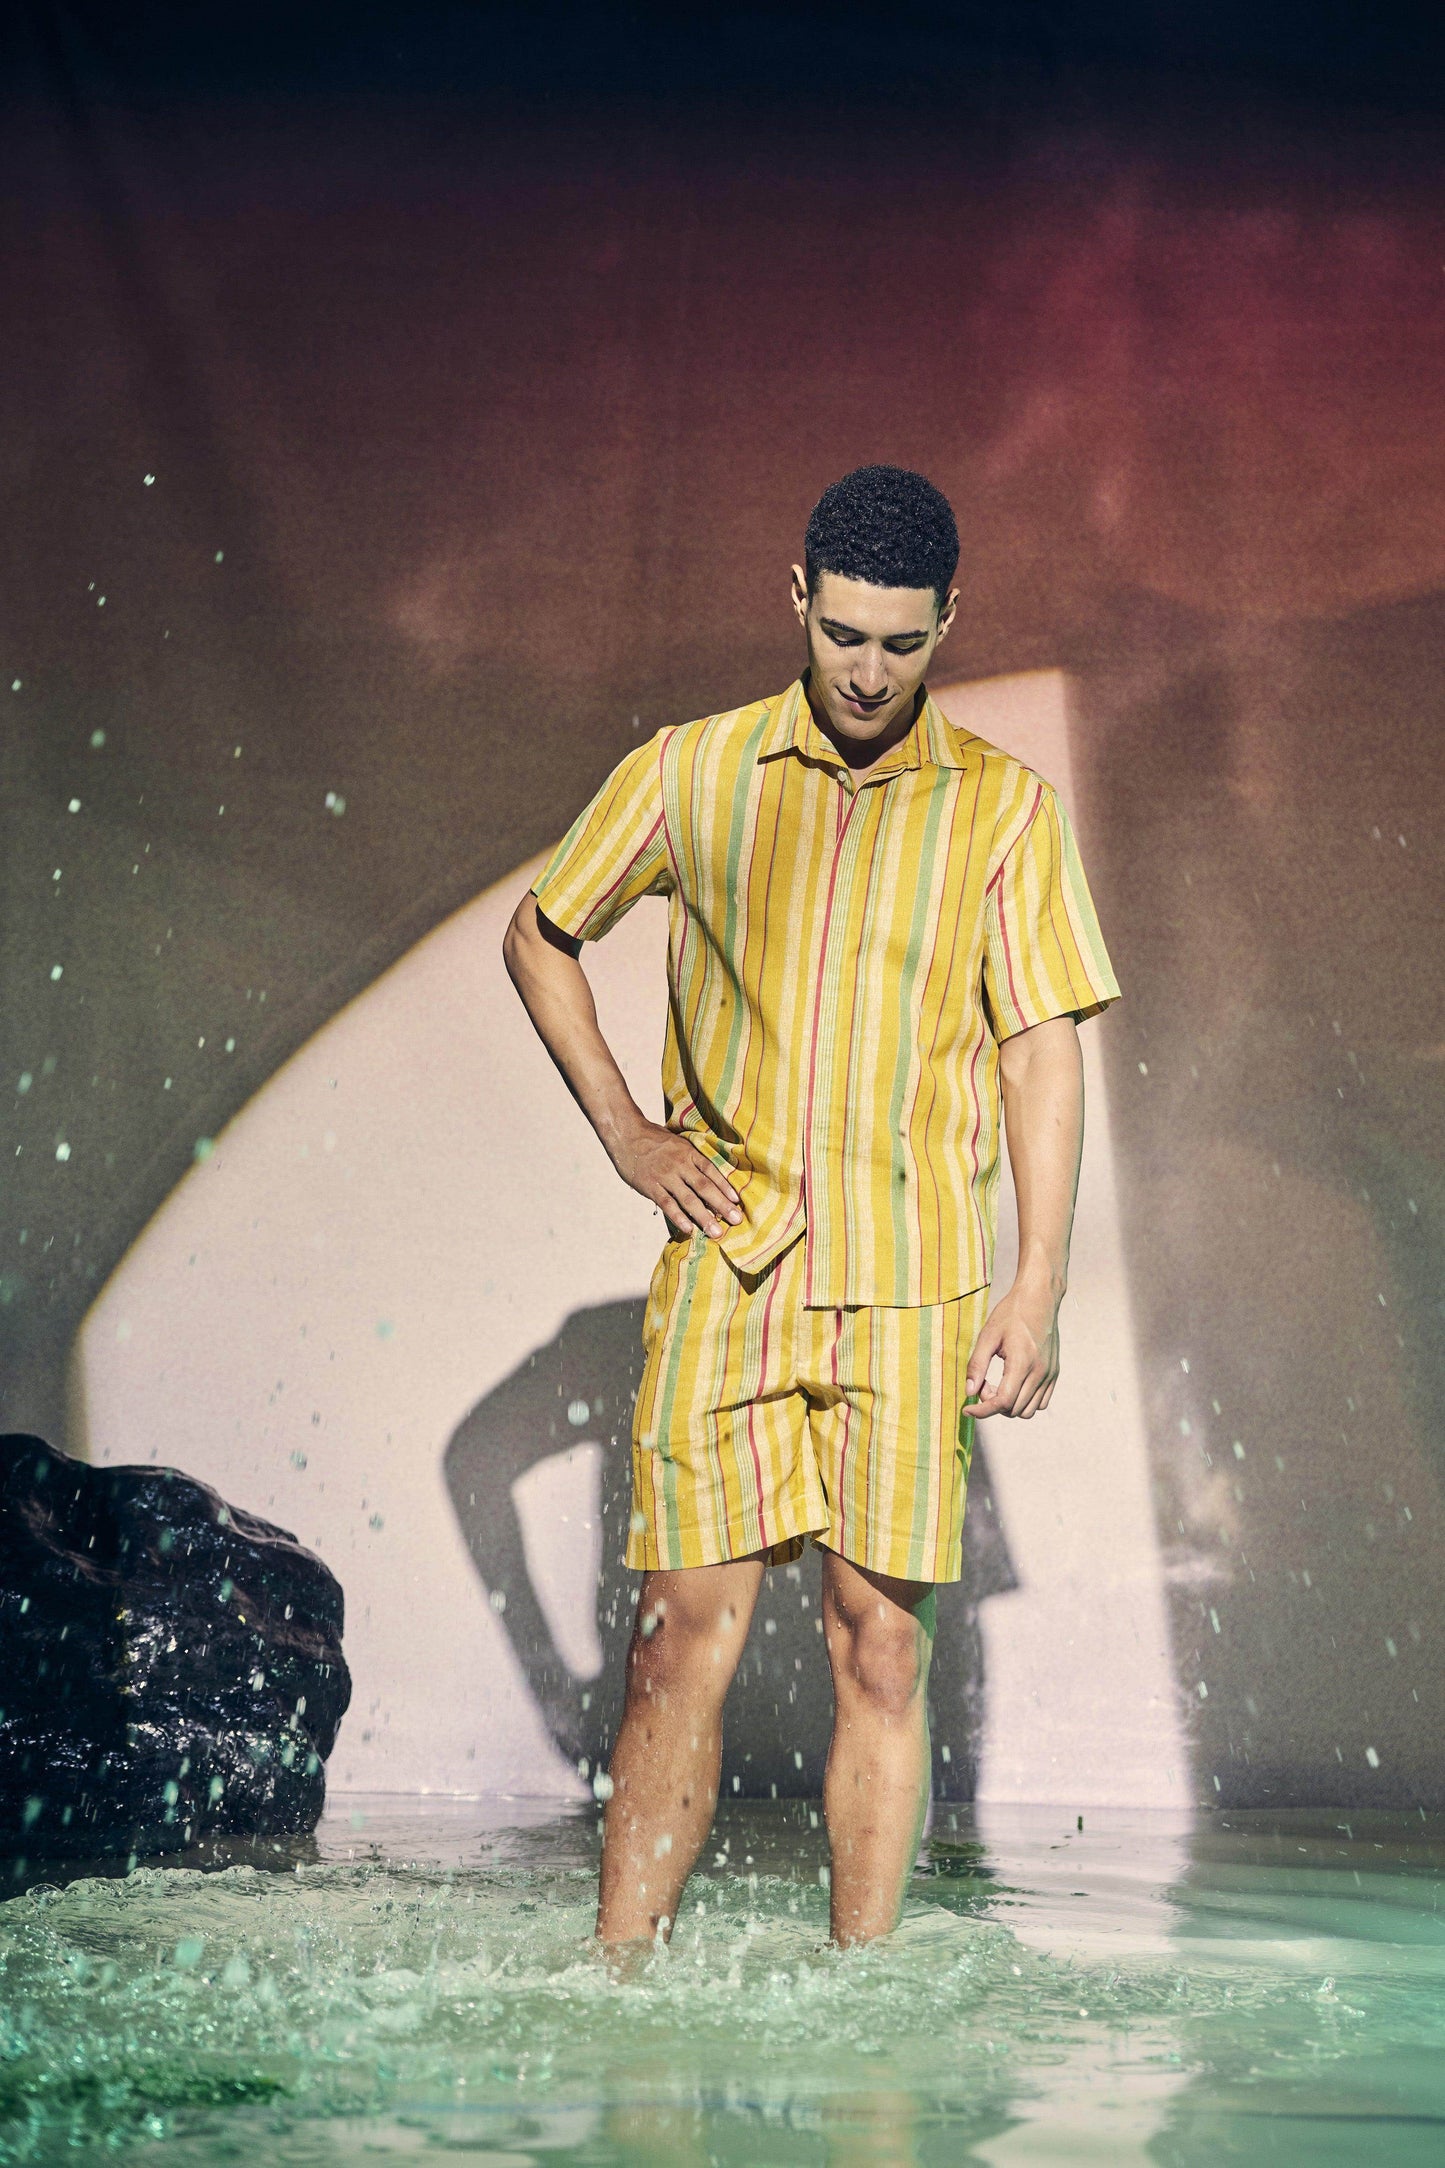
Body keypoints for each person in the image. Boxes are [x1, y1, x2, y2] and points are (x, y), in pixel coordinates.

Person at [502, 464, 1121, 1946]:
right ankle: (618, 1985)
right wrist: (628, 1133)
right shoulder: (693, 770)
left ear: (948, 622)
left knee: (882, 1654)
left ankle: (862, 2000)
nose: (868, 672)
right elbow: (540, 933)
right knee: (674, 1643)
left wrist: (1035, 1282)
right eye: (843, 633)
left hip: (912, 1286)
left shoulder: (1004, 811)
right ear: (797, 599)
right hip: (735, 1271)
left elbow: (1039, 1045)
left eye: (902, 643)